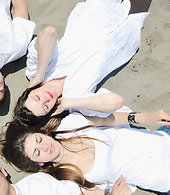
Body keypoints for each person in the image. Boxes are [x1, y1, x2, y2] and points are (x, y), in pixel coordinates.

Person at [14, 0, 150, 127]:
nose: (45, 98)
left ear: (29, 91)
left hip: (98, 10)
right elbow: (117, 102)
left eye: (36, 97)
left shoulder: (36, 70)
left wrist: (40, 74)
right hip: (126, 33)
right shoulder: (76, 99)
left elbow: (49, 33)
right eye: (45, 107)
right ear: (52, 111)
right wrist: (69, 103)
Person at [0, 109, 170, 195]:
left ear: (42, 133)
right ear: (38, 163)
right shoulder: (66, 180)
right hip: (164, 179)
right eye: (37, 152)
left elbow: (109, 119)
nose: (44, 146)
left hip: (163, 139)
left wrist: (143, 117)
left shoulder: (71, 124)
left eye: (39, 139)